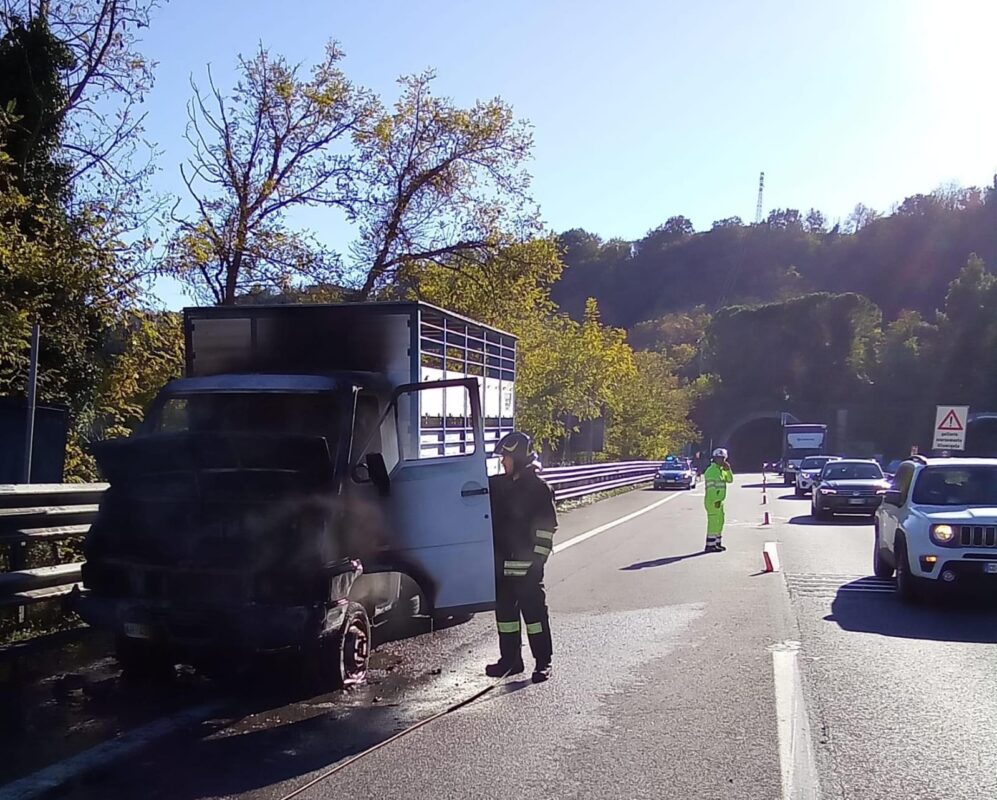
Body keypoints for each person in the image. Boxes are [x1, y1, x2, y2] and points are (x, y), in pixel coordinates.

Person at [485, 431, 557, 683]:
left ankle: (543, 662)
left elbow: (546, 530)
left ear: (517, 457)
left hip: (527, 569)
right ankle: (511, 661)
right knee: (506, 619)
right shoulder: (499, 485)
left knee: (535, 619)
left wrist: (536, 563)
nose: (502, 462)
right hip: (502, 568)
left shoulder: (539, 489)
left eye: (505, 457)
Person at [704, 447, 734, 552]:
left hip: (719, 501)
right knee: (713, 522)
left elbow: (730, 480)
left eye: (723, 458)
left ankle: (717, 542)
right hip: (712, 501)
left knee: (720, 521)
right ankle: (710, 545)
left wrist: (728, 470)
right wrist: (715, 500)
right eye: (719, 458)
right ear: (714, 458)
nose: (721, 461)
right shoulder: (711, 471)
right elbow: (711, 489)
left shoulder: (721, 471)